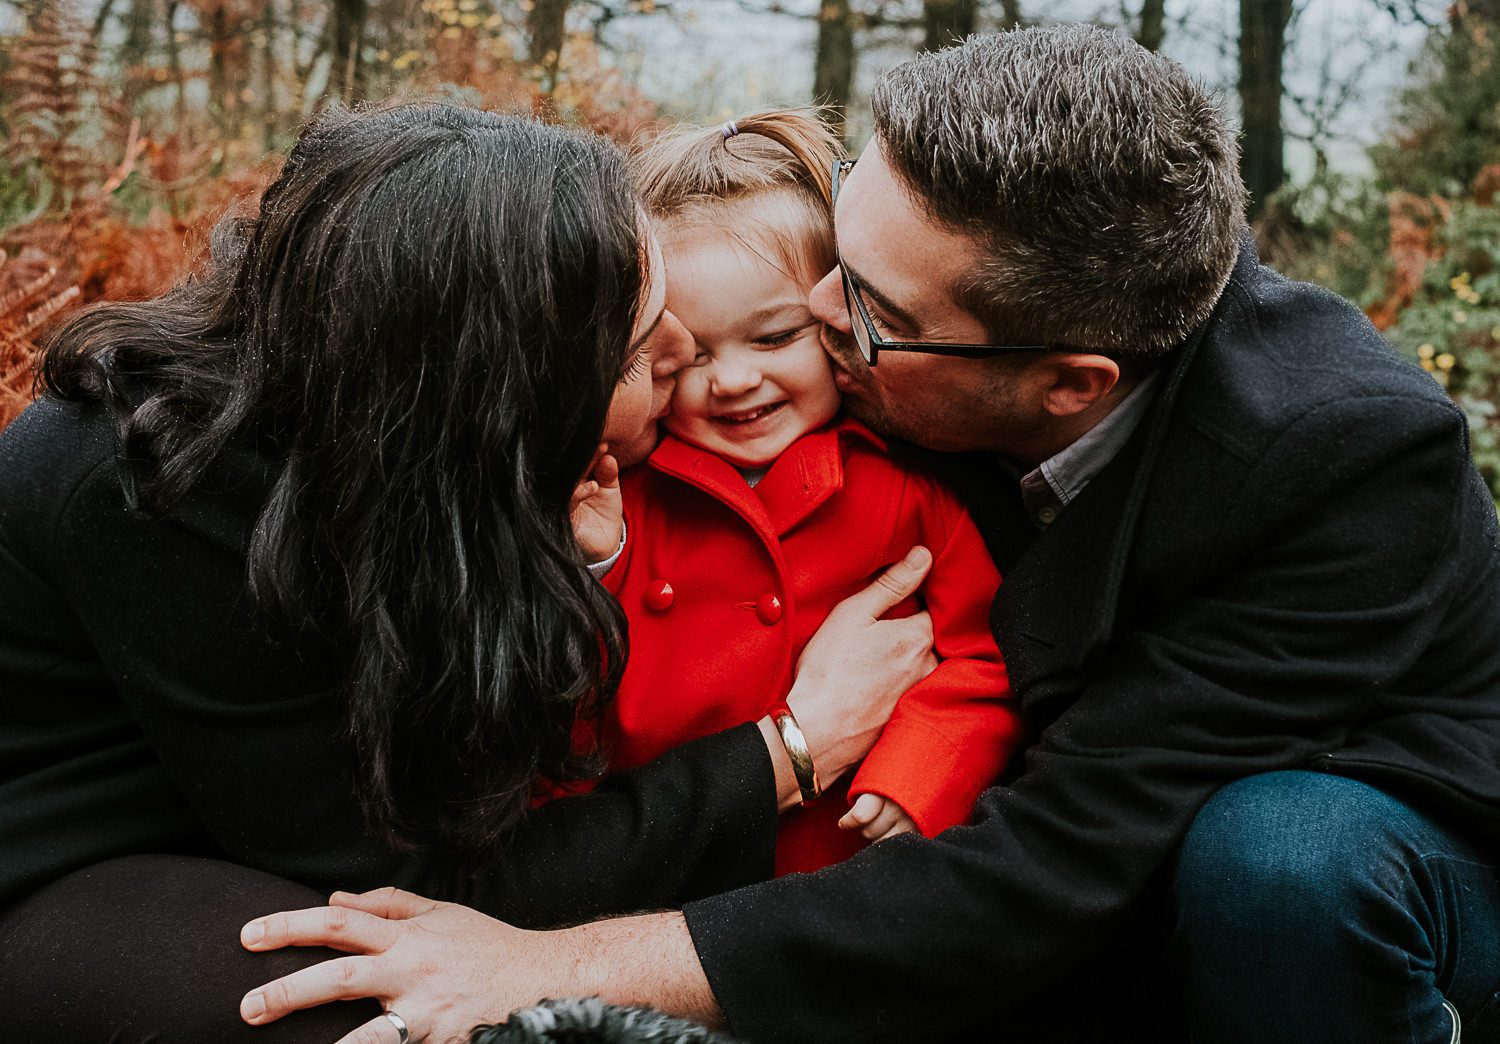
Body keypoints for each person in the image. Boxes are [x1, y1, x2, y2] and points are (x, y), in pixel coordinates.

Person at [240, 27, 1500, 1044]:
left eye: (876, 315)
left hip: (1393, 808)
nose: (826, 320)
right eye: (837, 254)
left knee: (1274, 865)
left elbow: (1055, 865)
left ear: (1069, 382)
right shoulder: (954, 304)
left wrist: (539, 961)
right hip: (1032, 789)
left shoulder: (1350, 464)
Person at [0, 101, 938, 1043]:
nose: (687, 356)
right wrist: (793, 746)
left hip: (280, 847)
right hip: (84, 872)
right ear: (499, 389)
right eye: (636, 348)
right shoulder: (156, 490)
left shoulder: (443, 450)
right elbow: (427, 879)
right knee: (395, 1020)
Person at [558, 109, 1019, 874]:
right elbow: (566, 684)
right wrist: (602, 566)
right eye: (693, 351)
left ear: (837, 320)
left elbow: (986, 656)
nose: (734, 380)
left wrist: (924, 770)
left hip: (839, 861)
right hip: (661, 860)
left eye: (775, 337)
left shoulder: (907, 489)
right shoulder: (622, 488)